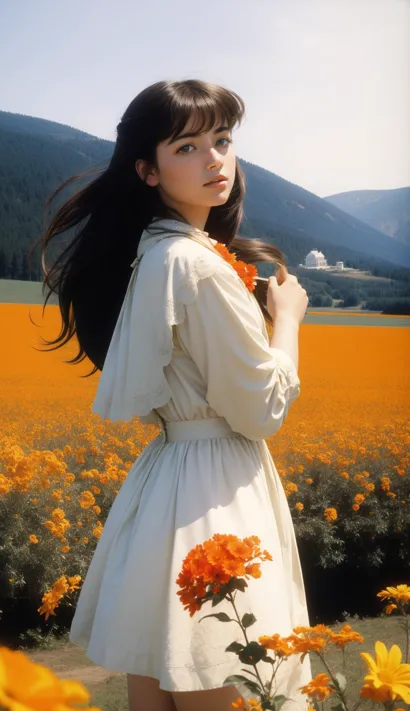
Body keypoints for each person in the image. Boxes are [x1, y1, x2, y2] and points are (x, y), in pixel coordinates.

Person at [32, 79, 311, 711]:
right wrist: (287, 318)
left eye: (222, 140)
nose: (214, 158)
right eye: (186, 146)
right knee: (243, 679)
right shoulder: (199, 264)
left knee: (161, 689)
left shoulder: (153, 255)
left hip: (165, 490)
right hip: (218, 499)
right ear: (146, 170)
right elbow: (261, 411)